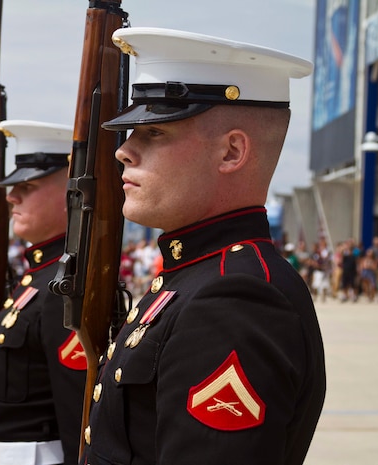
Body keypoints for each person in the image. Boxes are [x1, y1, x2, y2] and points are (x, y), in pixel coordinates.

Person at [80, 28, 326, 465]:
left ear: (232, 152)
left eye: (153, 134)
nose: (124, 151)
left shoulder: (234, 299)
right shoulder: (196, 276)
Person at [0, 120, 87, 465]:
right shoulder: (40, 278)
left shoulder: (63, 286)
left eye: (27, 186)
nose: (11, 196)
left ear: (71, 192)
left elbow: (77, 412)